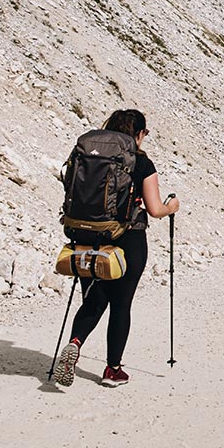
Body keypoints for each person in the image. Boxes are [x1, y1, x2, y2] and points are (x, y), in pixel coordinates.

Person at [53, 109, 180, 387]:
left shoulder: (88, 155)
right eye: (145, 133)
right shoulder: (141, 163)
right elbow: (155, 209)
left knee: (94, 300)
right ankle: (112, 370)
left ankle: (75, 343)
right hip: (128, 239)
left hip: (88, 237)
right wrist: (173, 206)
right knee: (121, 304)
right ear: (139, 133)